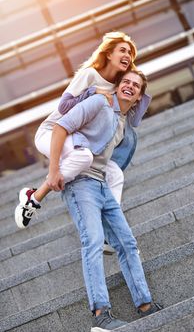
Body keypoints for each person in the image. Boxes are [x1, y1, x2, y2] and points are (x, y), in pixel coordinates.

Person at [48, 70, 162, 331]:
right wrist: (54, 170)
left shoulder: (123, 121)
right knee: (94, 242)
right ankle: (101, 313)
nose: (130, 87)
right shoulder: (99, 103)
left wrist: (136, 95)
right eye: (125, 82)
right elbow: (60, 126)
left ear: (139, 96)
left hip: (101, 182)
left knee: (127, 242)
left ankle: (145, 304)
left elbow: (140, 108)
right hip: (80, 184)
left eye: (135, 86)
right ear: (116, 86)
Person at [14, 31, 140, 232]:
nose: (128, 56)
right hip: (52, 132)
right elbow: (64, 107)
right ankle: (34, 196)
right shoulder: (90, 75)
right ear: (108, 54)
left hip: (79, 140)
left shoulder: (118, 86)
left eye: (131, 54)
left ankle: (110, 229)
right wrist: (93, 91)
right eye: (123, 50)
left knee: (115, 173)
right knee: (83, 158)